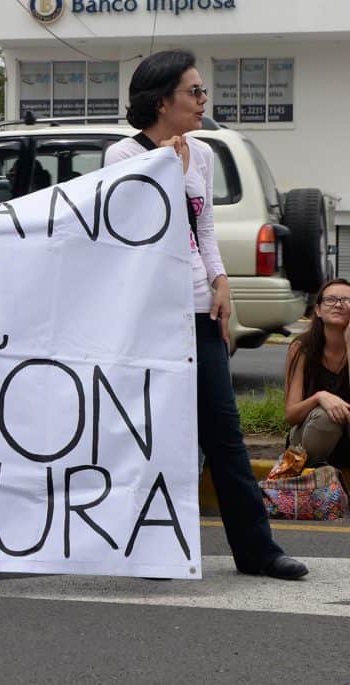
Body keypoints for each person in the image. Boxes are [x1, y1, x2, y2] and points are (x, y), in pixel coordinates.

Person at [104, 49, 308, 580]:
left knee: (223, 432)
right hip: (151, 316)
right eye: (193, 92)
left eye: (202, 91)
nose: (202, 101)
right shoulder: (124, 156)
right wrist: (166, 167)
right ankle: (150, 550)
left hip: (199, 309)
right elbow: (136, 230)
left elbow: (204, 229)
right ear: (160, 100)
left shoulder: (205, 153)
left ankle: (259, 552)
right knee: (152, 435)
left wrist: (220, 283)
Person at [284, 279, 350, 468]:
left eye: (346, 300)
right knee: (326, 417)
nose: (338, 304)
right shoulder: (302, 348)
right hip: (309, 441)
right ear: (318, 310)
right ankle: (312, 484)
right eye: (330, 300)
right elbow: (291, 415)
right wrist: (319, 397)